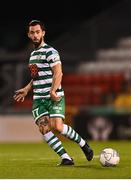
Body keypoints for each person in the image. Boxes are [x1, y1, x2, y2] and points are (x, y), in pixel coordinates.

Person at [13, 19, 93, 166]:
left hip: (54, 96)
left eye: (38, 32)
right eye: (32, 32)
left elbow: (58, 73)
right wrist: (26, 89)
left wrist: (53, 90)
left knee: (57, 127)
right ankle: (66, 158)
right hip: (39, 99)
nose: (35, 35)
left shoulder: (51, 51)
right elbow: (36, 78)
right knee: (44, 128)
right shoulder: (32, 56)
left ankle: (83, 144)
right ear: (28, 35)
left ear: (43, 33)